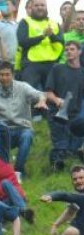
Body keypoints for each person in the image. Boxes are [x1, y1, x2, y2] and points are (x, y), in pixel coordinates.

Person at [0, 61, 47, 178]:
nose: (5, 78)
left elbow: (40, 94)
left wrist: (41, 101)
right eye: (2, 74)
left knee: (27, 135)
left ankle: (18, 170)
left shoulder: (23, 87)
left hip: (22, 127)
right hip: (3, 129)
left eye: (7, 74)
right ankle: (1, 169)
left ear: (12, 75)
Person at [45, 41, 84, 171]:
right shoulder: (58, 68)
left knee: (71, 149)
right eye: (66, 50)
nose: (68, 52)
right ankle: (56, 163)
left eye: (72, 49)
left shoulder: (82, 73)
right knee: (60, 148)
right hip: (57, 114)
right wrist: (57, 100)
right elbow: (48, 93)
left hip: (75, 116)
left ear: (79, 52)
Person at [16, 0, 64, 91]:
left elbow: (61, 43)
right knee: (30, 96)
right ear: (32, 7)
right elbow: (22, 41)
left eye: (42, 5)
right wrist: (42, 36)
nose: (39, 7)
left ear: (46, 7)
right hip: (31, 65)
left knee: (52, 95)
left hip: (51, 64)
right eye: (36, 5)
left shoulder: (54, 23)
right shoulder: (25, 22)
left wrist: (51, 35)